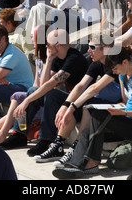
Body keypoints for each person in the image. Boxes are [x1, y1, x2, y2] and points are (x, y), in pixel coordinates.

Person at [52, 45, 132, 179]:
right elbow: (126, 104)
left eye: (115, 68)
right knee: (88, 127)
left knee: (98, 114)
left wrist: (123, 113)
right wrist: (118, 107)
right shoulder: (123, 76)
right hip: (126, 123)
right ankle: (75, 165)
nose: (115, 72)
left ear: (125, 62)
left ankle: (91, 163)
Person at [38, 32, 122, 166]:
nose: (88, 51)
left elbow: (94, 88)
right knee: (64, 99)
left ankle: (76, 148)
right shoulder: (96, 63)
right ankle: (58, 143)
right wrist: (66, 105)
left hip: (116, 108)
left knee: (86, 104)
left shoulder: (115, 64)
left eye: (92, 47)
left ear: (105, 47)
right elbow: (81, 85)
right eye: (89, 47)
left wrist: (71, 107)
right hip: (98, 103)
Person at [6, 28, 89, 156]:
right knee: (33, 90)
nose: (45, 46)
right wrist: (49, 60)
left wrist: (27, 100)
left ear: (58, 45)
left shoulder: (74, 58)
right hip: (66, 96)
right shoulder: (57, 57)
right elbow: (43, 85)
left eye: (48, 44)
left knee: (52, 94)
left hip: (78, 101)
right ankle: (19, 135)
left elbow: (50, 85)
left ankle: (46, 140)